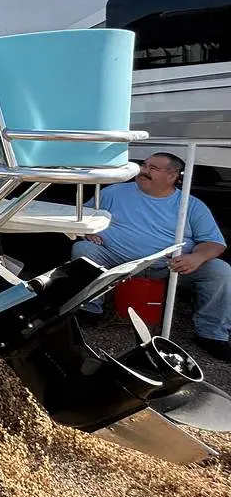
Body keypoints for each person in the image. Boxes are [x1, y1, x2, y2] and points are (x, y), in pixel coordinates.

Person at [71, 152, 231, 362]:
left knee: (219, 271)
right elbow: (81, 214)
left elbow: (215, 243)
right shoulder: (114, 192)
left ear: (172, 175)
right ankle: (89, 311)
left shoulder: (191, 205)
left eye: (152, 168)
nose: (143, 171)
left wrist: (197, 257)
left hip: (170, 266)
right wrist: (86, 228)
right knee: (83, 249)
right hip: (115, 258)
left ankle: (211, 335)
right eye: (144, 165)